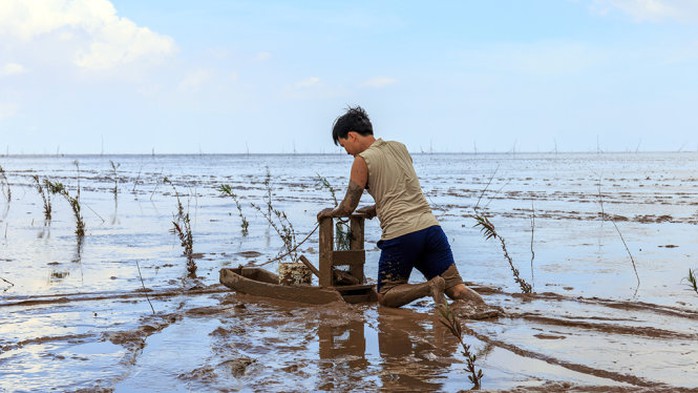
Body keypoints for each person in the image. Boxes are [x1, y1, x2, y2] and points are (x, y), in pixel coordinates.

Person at [317, 106, 488, 309]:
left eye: (344, 145)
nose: (346, 152)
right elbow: (399, 191)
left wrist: (328, 213)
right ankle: (490, 314)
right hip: (431, 229)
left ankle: (429, 287)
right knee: (456, 289)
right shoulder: (400, 148)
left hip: (401, 234)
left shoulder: (361, 161)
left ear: (352, 136)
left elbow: (347, 208)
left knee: (386, 294)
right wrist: (375, 208)